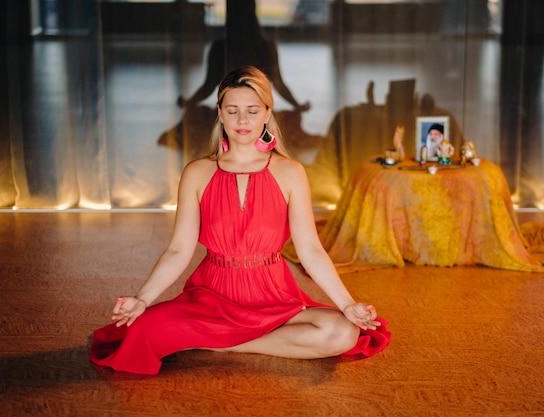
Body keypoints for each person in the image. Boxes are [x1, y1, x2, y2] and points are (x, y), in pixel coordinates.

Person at [90, 66, 390, 375]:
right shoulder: (197, 172)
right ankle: (218, 333)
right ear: (220, 114)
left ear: (266, 113)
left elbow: (311, 250)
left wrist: (347, 304)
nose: (242, 121)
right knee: (143, 330)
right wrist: (142, 298)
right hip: (213, 295)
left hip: (273, 294)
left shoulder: (291, 172)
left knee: (342, 332)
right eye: (232, 111)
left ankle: (220, 341)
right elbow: (179, 250)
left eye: (252, 110)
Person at [178, 0, 310, 112]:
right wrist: (297, 106)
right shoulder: (264, 47)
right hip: (255, 112)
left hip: (232, 111)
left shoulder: (221, 47)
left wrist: (188, 103)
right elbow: (279, 84)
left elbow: (208, 86)